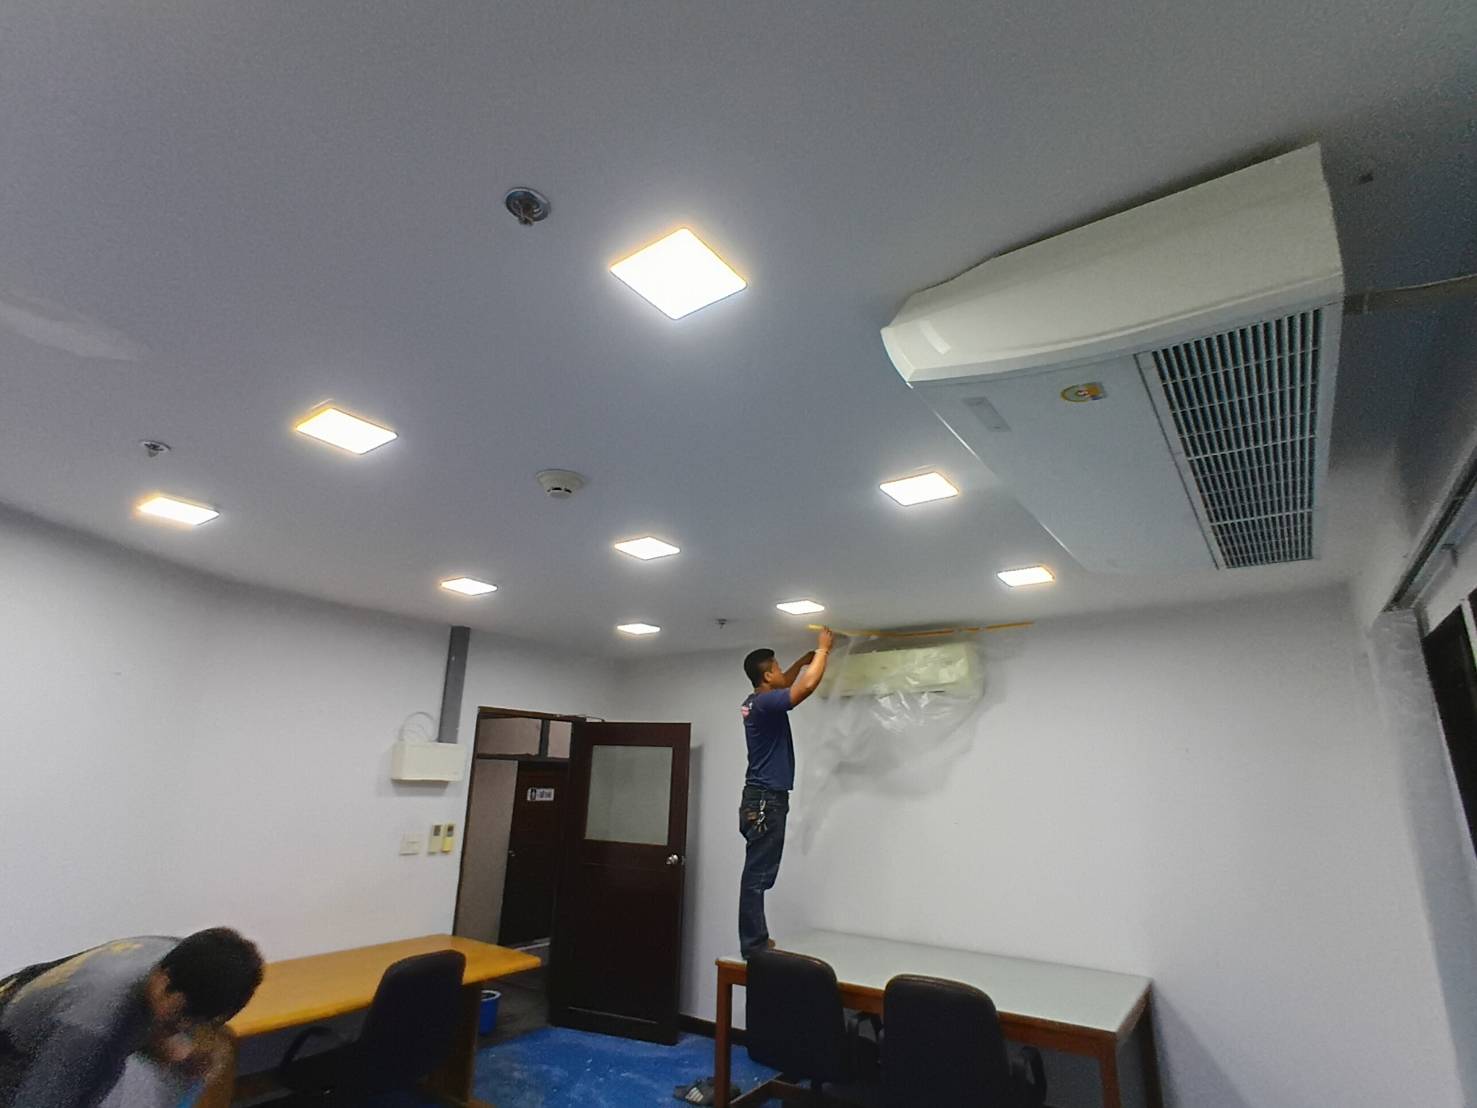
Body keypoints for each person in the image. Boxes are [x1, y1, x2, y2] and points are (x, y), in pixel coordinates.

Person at [0, 928, 264, 1108]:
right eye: (181, 1015)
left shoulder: (178, 954)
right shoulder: (92, 1030)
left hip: (35, 1017)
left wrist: (175, 1049)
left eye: (197, 1020)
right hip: (15, 1060)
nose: (185, 1026)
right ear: (164, 981)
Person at [738, 627, 836, 958]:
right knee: (757, 876)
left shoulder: (755, 702)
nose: (782, 672)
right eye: (778, 668)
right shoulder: (767, 704)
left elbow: (788, 682)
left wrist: (805, 661)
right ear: (767, 675)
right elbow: (803, 688)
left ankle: (755, 940)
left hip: (760, 798)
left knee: (758, 874)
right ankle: (754, 945)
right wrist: (823, 650)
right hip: (766, 800)